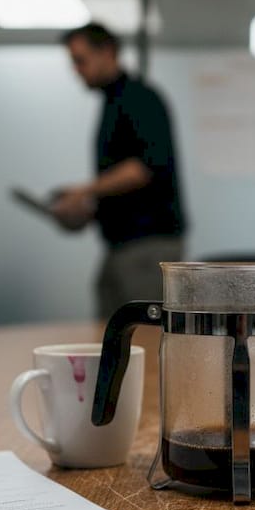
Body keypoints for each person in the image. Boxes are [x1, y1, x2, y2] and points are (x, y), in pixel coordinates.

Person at [52, 22, 188, 320]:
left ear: (108, 52)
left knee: (147, 338)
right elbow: (127, 183)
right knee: (112, 336)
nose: (76, 70)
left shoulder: (139, 98)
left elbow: (145, 168)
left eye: (80, 60)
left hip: (147, 248)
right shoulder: (114, 103)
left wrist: (84, 191)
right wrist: (90, 209)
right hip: (122, 246)